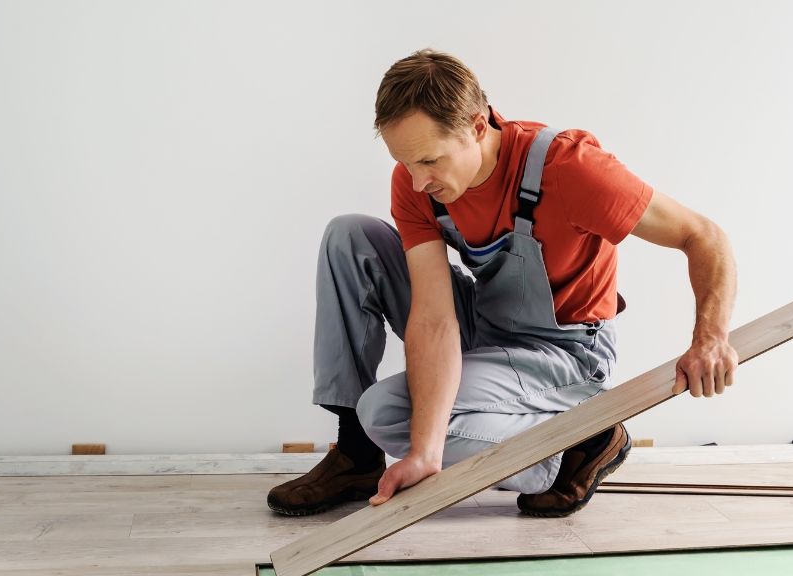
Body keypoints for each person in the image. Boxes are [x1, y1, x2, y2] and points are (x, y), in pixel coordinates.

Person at [267, 49, 738, 519]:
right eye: (405, 163)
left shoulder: (571, 169)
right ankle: (355, 455)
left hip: (564, 353)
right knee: (350, 236)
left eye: (429, 161)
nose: (416, 182)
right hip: (485, 323)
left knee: (386, 413)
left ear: (476, 127)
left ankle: (583, 438)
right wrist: (428, 451)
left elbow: (703, 236)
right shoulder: (418, 183)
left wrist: (711, 338)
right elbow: (433, 317)